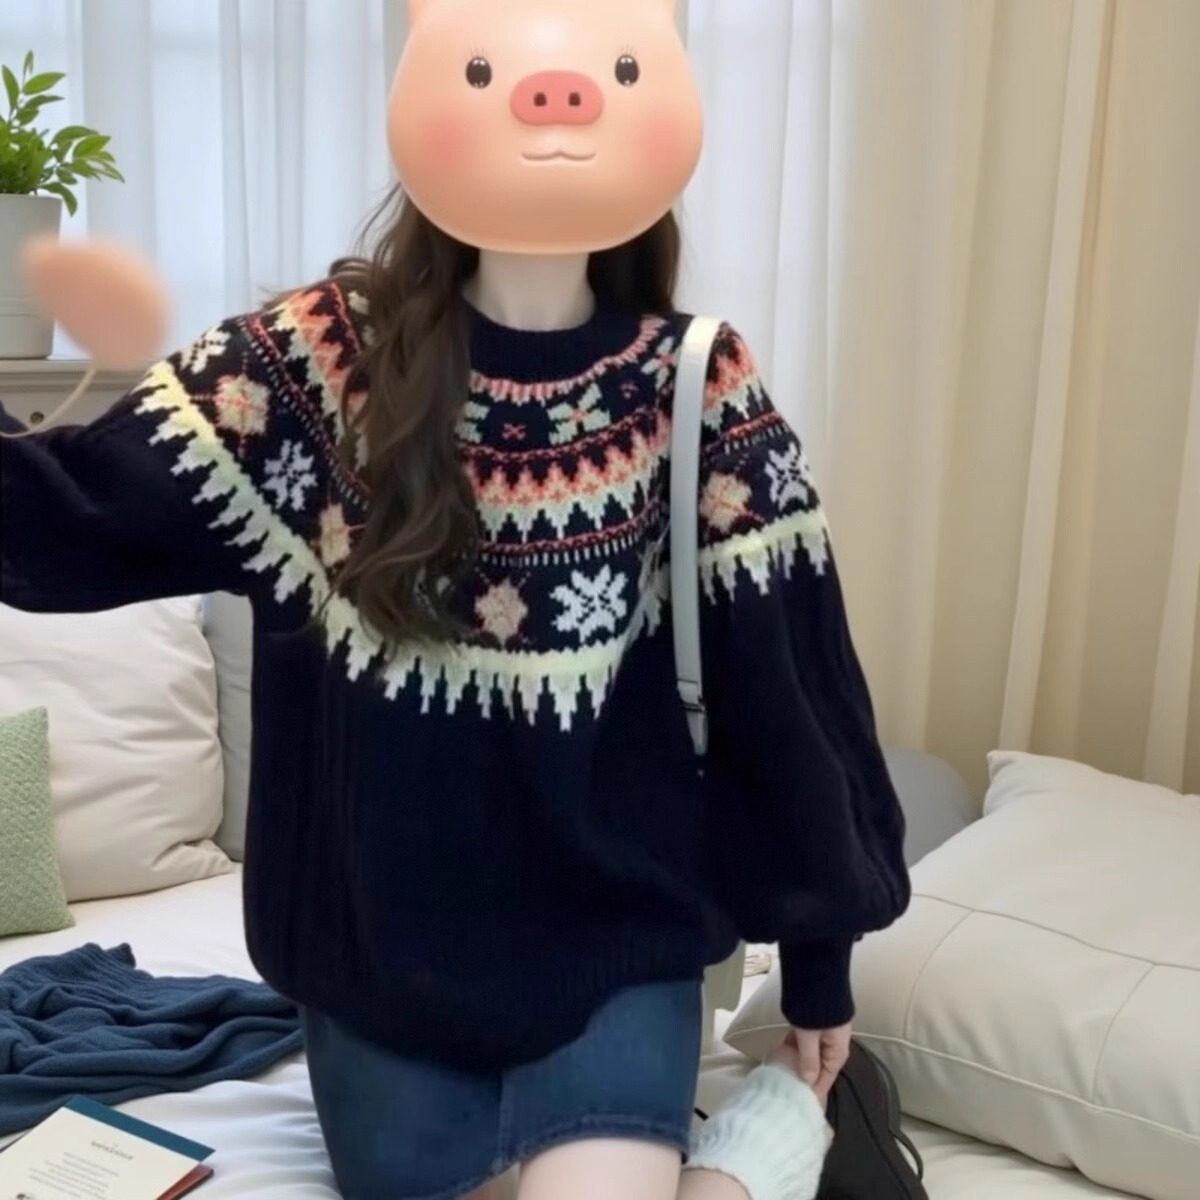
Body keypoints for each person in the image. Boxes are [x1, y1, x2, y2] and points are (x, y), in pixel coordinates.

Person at [0, 1, 910, 1197]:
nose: (555, 99)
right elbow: (61, 523)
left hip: (618, 954)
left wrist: (819, 962)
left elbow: (787, 688)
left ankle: (769, 1131)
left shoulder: (694, 386)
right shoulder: (315, 370)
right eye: (491, 71)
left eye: (610, 70)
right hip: (382, 977)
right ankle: (765, 1152)